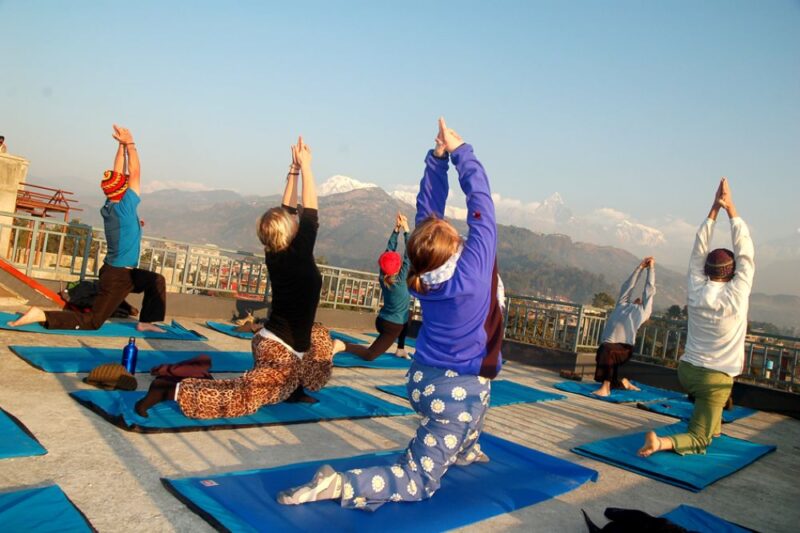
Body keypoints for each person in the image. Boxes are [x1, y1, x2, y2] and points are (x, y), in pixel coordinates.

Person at [277, 117, 504, 511]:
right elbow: (481, 205)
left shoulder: (425, 273)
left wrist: (438, 160)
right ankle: (340, 484)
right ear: (454, 249)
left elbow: (427, 215)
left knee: (479, 397)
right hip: (454, 395)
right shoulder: (472, 272)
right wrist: (460, 150)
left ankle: (466, 448)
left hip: (422, 381)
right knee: (418, 481)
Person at [135, 137, 345, 417]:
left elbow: (288, 210)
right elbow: (311, 211)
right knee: (246, 399)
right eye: (293, 222)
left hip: (288, 345)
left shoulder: (275, 250)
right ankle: (169, 390)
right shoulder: (298, 254)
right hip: (277, 350)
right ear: (290, 231)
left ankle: (296, 387)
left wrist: (293, 170)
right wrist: (307, 166)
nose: (297, 220)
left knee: (317, 352)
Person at [9, 126, 166, 333]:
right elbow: (135, 172)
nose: (129, 182)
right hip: (117, 276)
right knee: (93, 321)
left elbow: (118, 172)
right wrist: (130, 144)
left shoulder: (110, 206)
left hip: (121, 272)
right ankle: (43, 315)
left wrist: (120, 146)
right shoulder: (126, 207)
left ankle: (147, 321)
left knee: (156, 281)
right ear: (122, 190)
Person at [639, 177, 754, 457]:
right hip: (715, 380)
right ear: (733, 272)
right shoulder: (736, 296)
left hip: (686, 371)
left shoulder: (696, 289)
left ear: (707, 269)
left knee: (711, 412)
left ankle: (712, 422)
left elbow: (697, 250)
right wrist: (731, 208)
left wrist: (715, 209)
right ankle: (662, 443)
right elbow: (747, 252)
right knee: (702, 439)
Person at [343, 213, 413, 361]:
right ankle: (342, 345)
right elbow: (409, 254)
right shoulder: (400, 281)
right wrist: (406, 230)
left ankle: (400, 349)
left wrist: (396, 230)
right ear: (399, 267)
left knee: (408, 313)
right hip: (392, 327)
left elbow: (388, 251)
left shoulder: (383, 277)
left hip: (381, 321)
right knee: (370, 355)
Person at [593, 256, 656, 396]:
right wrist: (640, 268)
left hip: (624, 348)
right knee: (604, 351)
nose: (639, 298)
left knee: (606, 350)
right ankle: (622, 383)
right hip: (609, 345)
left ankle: (605, 388)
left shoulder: (643, 311)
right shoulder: (622, 304)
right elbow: (628, 286)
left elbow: (649, 290)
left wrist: (651, 269)